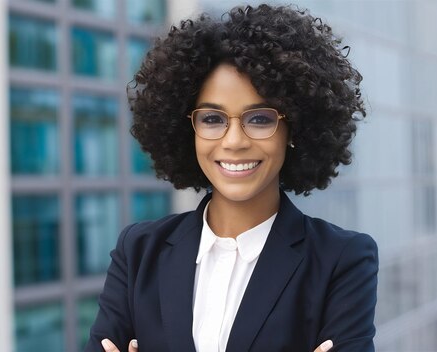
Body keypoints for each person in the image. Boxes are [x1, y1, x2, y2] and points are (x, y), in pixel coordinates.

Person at [84, 4, 378, 352]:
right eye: (212, 119)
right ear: (186, 129)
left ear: (293, 128)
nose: (234, 141)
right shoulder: (138, 251)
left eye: (259, 119)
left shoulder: (342, 259)